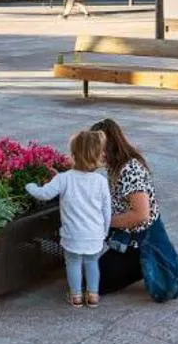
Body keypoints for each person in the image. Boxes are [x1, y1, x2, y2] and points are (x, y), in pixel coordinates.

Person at [25, 129, 113, 307]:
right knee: (92, 262)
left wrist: (30, 186)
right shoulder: (101, 181)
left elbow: (44, 194)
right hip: (94, 234)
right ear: (98, 156)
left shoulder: (64, 179)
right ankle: (93, 295)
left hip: (72, 235)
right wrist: (104, 230)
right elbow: (106, 210)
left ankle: (76, 296)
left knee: (73, 262)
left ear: (73, 154)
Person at [93, 118, 156, 295]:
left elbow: (141, 215)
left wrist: (104, 222)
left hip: (135, 242)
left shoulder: (130, 169)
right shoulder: (115, 164)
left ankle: (141, 265)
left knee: (91, 283)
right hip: (122, 236)